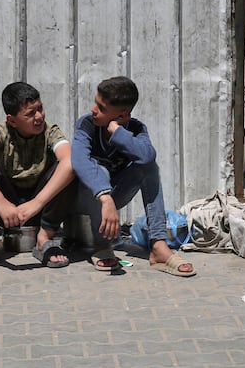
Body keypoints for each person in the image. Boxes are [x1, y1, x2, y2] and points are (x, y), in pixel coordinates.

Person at [71, 76, 194, 276]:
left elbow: (147, 156)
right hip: (84, 198)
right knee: (99, 170)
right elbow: (79, 160)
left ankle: (158, 246)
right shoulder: (87, 124)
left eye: (102, 108)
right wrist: (105, 196)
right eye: (96, 103)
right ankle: (102, 245)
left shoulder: (135, 129)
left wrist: (118, 133)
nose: (94, 110)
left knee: (148, 167)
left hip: (113, 196)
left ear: (122, 114)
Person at [0, 82, 76, 273]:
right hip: (8, 208)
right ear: (12, 120)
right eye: (30, 114)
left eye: (40, 109)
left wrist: (37, 203)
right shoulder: (2, 131)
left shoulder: (50, 131)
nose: (39, 116)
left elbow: (69, 162)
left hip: (41, 207)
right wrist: (0, 202)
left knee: (68, 167)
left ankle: (44, 239)